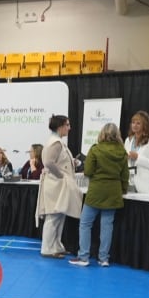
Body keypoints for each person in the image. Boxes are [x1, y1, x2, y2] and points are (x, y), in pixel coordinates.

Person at [69, 123, 129, 267]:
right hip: (113, 192)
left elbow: (88, 171)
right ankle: (104, 259)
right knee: (107, 225)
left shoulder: (95, 149)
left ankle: (83, 257)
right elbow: (125, 175)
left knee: (85, 224)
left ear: (102, 134)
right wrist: (123, 190)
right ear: (117, 135)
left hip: (96, 192)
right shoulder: (122, 152)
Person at [35, 114, 83, 258]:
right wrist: (61, 175)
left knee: (59, 215)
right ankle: (47, 248)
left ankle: (56, 245)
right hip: (55, 184)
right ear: (60, 127)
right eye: (67, 125)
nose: (69, 128)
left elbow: (56, 161)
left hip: (57, 183)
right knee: (54, 215)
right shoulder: (55, 143)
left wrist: (71, 162)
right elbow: (49, 162)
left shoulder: (57, 142)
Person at [124, 110, 149, 194]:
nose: (135, 125)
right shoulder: (128, 140)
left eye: (138, 123)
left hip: (146, 186)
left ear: (145, 125)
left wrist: (138, 158)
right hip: (130, 183)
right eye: (133, 122)